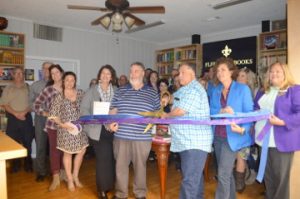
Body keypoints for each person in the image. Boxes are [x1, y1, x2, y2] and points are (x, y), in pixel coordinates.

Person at [161, 63, 213, 199]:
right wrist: (167, 97)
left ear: (192, 74)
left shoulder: (195, 89)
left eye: (183, 73)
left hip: (194, 143)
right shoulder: (185, 89)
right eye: (179, 73)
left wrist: (167, 115)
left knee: (189, 180)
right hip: (186, 142)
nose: (179, 76)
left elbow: (180, 111)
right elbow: (174, 97)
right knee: (194, 178)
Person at [109, 62, 160, 199]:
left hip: (142, 138)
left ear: (143, 73)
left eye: (136, 71)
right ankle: (120, 194)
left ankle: (140, 193)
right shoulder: (120, 90)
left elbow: (158, 113)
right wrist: (111, 122)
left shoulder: (152, 92)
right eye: (131, 71)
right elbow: (113, 110)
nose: (133, 74)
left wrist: (153, 119)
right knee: (120, 167)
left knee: (140, 167)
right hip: (121, 136)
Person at [254, 62, 300, 199]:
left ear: (285, 74)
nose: (273, 74)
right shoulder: (263, 91)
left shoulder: (294, 90)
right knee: (269, 179)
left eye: (278, 71)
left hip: (282, 143)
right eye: (271, 71)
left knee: (281, 182)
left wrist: (283, 121)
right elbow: (254, 109)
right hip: (263, 141)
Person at [209, 57, 253, 199]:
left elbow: (249, 114)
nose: (219, 73)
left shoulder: (242, 89)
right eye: (218, 70)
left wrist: (243, 130)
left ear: (231, 71)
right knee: (226, 173)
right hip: (218, 136)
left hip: (233, 136)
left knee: (222, 174)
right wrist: (222, 110)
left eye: (223, 70)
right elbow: (212, 111)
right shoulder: (216, 90)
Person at [81, 65, 118, 199]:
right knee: (103, 159)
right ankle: (101, 189)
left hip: (114, 128)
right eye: (103, 73)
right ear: (99, 75)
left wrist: (116, 112)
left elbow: (121, 107)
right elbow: (83, 110)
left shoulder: (116, 90)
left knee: (113, 158)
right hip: (98, 129)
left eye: (108, 74)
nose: (105, 76)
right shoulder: (91, 90)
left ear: (112, 77)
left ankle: (111, 185)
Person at [49, 71, 88, 192]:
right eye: (67, 80)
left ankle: (76, 176)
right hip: (66, 130)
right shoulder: (59, 96)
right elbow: (53, 115)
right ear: (63, 81)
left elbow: (87, 107)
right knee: (68, 154)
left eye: (72, 80)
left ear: (75, 81)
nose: (70, 82)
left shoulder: (81, 93)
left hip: (80, 129)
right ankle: (70, 179)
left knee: (82, 151)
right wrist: (63, 125)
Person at [33, 64, 64, 191]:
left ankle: (64, 173)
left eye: (57, 72)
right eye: (53, 74)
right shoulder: (48, 89)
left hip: (67, 126)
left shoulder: (68, 87)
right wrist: (47, 113)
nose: (55, 75)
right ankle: (55, 177)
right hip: (53, 125)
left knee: (65, 151)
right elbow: (36, 105)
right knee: (54, 151)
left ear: (62, 73)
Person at [1, 66, 34, 173]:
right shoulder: (8, 88)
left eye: (21, 73)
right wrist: (16, 114)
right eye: (17, 73)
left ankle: (28, 164)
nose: (20, 75)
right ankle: (15, 165)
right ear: (13, 75)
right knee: (14, 143)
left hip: (26, 118)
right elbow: (4, 104)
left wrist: (23, 113)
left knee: (27, 142)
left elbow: (32, 104)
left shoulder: (29, 88)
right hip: (12, 119)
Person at [235, 67, 258, 192]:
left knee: (242, 156)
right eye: (238, 75)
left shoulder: (248, 91)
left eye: (242, 76)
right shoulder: (233, 90)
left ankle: (240, 183)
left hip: (245, 128)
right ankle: (241, 178)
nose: (239, 78)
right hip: (234, 128)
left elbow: (250, 112)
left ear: (248, 79)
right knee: (240, 156)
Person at [29, 61, 52, 182]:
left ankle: (55, 172)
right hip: (40, 118)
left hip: (55, 119)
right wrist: (40, 110)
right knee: (41, 145)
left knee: (55, 146)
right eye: (44, 68)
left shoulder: (59, 85)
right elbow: (30, 102)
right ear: (42, 70)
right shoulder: (35, 85)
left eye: (49, 68)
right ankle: (42, 172)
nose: (46, 70)